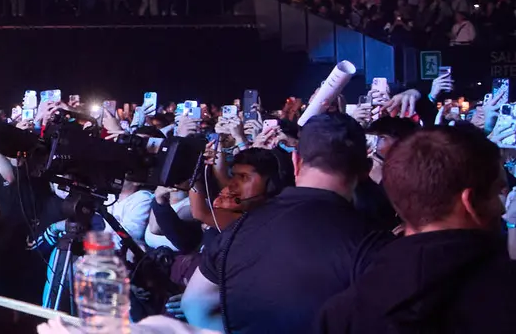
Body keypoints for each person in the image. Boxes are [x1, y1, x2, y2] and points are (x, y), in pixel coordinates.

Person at [181, 113, 386, 334]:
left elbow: (194, 305)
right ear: (365, 171)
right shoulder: (374, 242)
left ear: (296, 162)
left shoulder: (238, 229)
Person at [317, 127, 516, 333]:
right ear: (470, 202)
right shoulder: (507, 295)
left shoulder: (341, 314)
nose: (502, 208)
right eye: (498, 192)